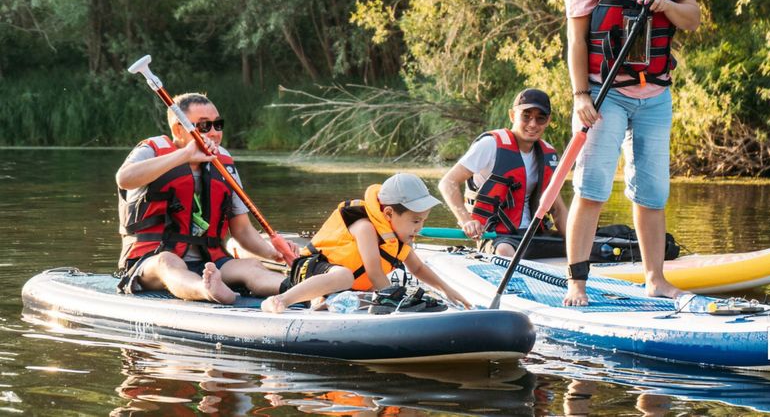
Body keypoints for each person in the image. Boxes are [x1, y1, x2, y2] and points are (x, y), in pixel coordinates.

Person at [562, 0, 701, 306]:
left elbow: (692, 18)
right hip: (605, 97)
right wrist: (581, 95)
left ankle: (655, 279)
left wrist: (666, 4)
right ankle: (576, 283)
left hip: (655, 97)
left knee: (653, 193)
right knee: (592, 189)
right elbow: (577, 41)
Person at [115, 93, 293, 304]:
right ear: (177, 130)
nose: (215, 133)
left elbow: (243, 230)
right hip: (151, 262)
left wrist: (273, 253)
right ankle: (207, 289)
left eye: (218, 125)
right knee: (168, 262)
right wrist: (185, 155)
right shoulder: (151, 151)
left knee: (251, 266)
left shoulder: (223, 163)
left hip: (210, 261)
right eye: (203, 126)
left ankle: (304, 292)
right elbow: (124, 178)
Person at [261, 173, 470, 313]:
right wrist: (395, 301)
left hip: (338, 287)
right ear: (388, 213)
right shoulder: (364, 226)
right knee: (346, 277)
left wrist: (447, 290)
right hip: (312, 270)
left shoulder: (398, 237)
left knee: (369, 295)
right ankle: (282, 300)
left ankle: (321, 302)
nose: (420, 227)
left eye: (423, 220)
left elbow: (417, 267)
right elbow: (374, 272)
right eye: (416, 221)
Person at [438, 88, 569, 258]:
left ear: (548, 121)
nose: (533, 124)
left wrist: (578, 241)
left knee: (585, 246)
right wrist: (466, 221)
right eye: (526, 116)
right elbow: (448, 183)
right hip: (496, 236)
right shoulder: (490, 145)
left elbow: (557, 209)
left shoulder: (548, 154)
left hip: (533, 235)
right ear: (513, 116)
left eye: (540, 118)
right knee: (504, 251)